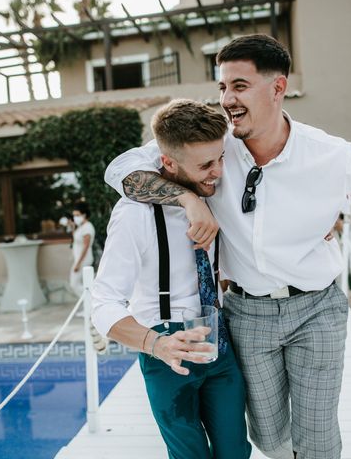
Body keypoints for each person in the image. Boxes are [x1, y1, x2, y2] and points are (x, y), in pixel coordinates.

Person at [104, 34, 351, 459]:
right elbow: (121, 169)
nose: (226, 98)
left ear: (277, 87)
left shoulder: (330, 153)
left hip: (317, 307)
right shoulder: (215, 146)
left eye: (239, 86)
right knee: (267, 436)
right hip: (247, 312)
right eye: (222, 86)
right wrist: (189, 198)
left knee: (317, 431)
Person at [91, 99, 251, 459]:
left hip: (219, 341)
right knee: (189, 455)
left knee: (236, 451)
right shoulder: (134, 214)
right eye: (206, 165)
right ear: (167, 162)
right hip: (166, 349)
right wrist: (155, 344)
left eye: (220, 158)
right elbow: (102, 304)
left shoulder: (214, 190)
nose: (219, 172)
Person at [69, 202, 95, 299]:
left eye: (77, 215)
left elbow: (86, 246)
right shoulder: (81, 227)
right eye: (74, 215)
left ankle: (91, 301)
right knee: (83, 285)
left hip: (83, 260)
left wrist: (78, 263)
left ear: (84, 214)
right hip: (79, 259)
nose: (75, 217)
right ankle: (87, 307)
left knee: (74, 284)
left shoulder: (88, 227)